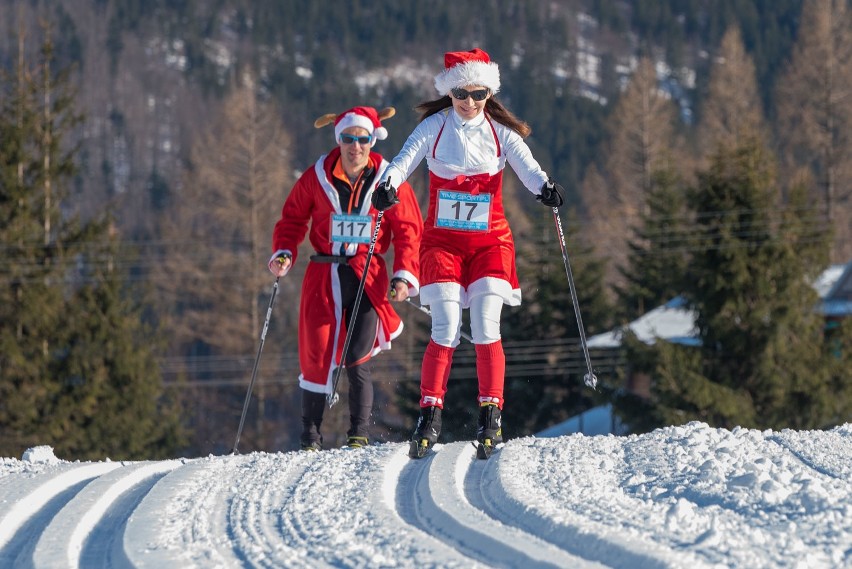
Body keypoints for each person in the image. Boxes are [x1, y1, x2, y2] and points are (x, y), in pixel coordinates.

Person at [372, 48, 564, 459]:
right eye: (461, 92)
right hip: (442, 243)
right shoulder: (434, 127)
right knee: (443, 328)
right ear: (450, 91)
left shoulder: (500, 132)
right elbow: (403, 161)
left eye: (478, 94)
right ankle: (429, 415)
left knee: (484, 326)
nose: (470, 102)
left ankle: (491, 413)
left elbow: (528, 168)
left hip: (491, 243)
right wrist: (388, 184)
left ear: (489, 93)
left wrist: (545, 188)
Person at [269, 106, 423, 450]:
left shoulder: (388, 179)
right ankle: (310, 436)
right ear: (339, 140)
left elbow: (408, 230)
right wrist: (284, 251)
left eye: (363, 139)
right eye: (348, 139)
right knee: (316, 352)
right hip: (323, 275)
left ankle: (358, 434)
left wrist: (403, 275)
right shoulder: (316, 176)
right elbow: (293, 218)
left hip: (368, 276)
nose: (356, 146)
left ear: (372, 140)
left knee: (357, 355)